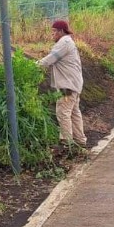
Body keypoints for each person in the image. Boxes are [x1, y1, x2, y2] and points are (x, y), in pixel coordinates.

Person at [37, 19, 86, 147]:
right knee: (74, 112)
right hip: (73, 83)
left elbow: (50, 59)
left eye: (54, 31)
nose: (52, 34)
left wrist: (33, 66)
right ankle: (80, 141)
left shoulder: (64, 42)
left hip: (67, 85)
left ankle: (67, 143)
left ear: (61, 31)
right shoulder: (68, 42)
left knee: (63, 112)